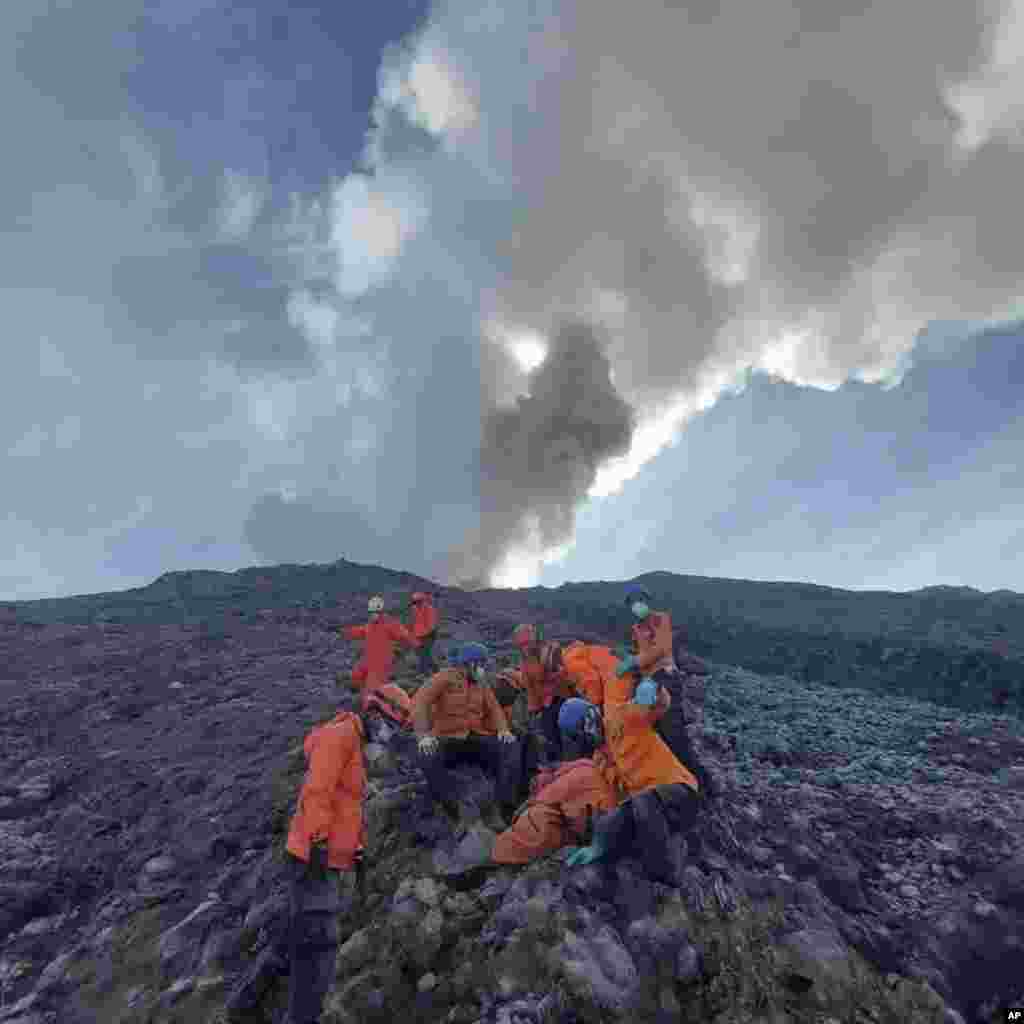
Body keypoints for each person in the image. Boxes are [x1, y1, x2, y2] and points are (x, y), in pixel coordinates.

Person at [225, 697, 367, 1023]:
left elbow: (345, 806)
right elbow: (318, 791)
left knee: (297, 935)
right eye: (392, 724)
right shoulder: (341, 737)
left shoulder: (355, 744)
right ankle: (300, 1016)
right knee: (318, 945)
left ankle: (245, 1005)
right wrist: (318, 842)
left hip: (324, 856)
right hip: (312, 857)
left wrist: (355, 846)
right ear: (378, 714)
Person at [434, 696, 621, 883]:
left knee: (541, 817)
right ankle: (498, 853)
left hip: (608, 813)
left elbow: (576, 785)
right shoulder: (600, 745)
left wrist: (530, 804)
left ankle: (493, 857)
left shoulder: (618, 734)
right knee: (549, 795)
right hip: (597, 810)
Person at [565, 681, 702, 885]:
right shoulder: (599, 760)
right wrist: (598, 842)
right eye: (576, 736)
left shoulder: (623, 716)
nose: (583, 737)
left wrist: (653, 689)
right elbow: (614, 802)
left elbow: (658, 705)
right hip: (650, 814)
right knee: (614, 820)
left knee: (643, 801)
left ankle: (666, 876)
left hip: (680, 792)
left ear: (590, 717)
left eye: (581, 730)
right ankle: (662, 850)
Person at [614, 586, 717, 803]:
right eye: (632, 602)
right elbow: (643, 654)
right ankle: (678, 784)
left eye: (639, 600)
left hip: (666, 678)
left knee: (675, 735)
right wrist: (628, 659)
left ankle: (705, 787)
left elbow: (661, 648)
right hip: (649, 682)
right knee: (659, 736)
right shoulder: (636, 629)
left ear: (647, 600)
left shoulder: (661, 619)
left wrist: (635, 661)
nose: (637, 605)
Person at [414, 642, 529, 824]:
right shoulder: (443, 678)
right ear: (470, 664)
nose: (484, 668)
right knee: (427, 754)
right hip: (446, 739)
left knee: (510, 746)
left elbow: (494, 709)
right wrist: (423, 736)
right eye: (481, 664)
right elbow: (420, 701)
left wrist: (503, 730)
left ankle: (505, 806)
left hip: (474, 738)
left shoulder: (481, 684)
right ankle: (451, 808)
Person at [502, 625, 573, 764]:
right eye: (521, 645)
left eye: (527, 643)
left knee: (561, 730)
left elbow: (561, 675)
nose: (525, 648)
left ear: (535, 639)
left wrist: (551, 669)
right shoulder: (525, 661)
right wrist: (533, 710)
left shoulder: (551, 650)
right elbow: (530, 687)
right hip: (545, 700)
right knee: (549, 734)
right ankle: (556, 764)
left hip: (561, 696)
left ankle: (570, 760)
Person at [342, 595, 418, 725]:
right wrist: (346, 632)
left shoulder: (390, 624)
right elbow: (361, 631)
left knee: (372, 687)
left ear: (382, 612)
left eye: (376, 612)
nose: (374, 615)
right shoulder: (370, 625)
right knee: (356, 675)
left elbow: (404, 634)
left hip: (381, 663)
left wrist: (416, 644)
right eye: (372, 613)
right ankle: (362, 698)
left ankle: (369, 713)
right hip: (368, 658)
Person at [561, 640, 635, 709]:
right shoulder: (570, 656)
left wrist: (590, 705)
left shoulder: (569, 664)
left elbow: (593, 682)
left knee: (613, 716)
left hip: (617, 675)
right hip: (618, 668)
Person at [409, 591, 440, 675]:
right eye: (414, 602)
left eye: (418, 602)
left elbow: (431, 624)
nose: (416, 604)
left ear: (422, 600)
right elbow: (414, 622)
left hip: (429, 634)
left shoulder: (429, 609)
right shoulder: (414, 609)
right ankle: (435, 669)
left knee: (424, 654)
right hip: (419, 635)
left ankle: (423, 673)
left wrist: (427, 633)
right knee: (423, 654)